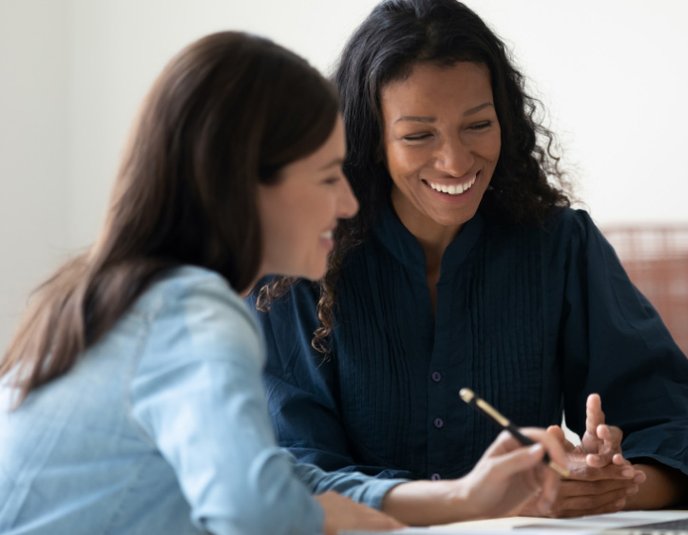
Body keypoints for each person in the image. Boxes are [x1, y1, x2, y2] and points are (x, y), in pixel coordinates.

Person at [0, 31, 567, 535]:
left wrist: (463, 497)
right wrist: (327, 519)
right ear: (245, 185)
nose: (347, 202)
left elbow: (272, 478)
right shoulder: (193, 310)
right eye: (327, 177)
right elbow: (256, 509)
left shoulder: (118, 296)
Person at [251, 0, 688, 519]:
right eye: (418, 135)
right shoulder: (300, 268)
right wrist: (470, 502)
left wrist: (602, 485)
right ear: (372, 141)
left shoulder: (560, 247)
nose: (456, 161)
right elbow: (293, 476)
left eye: (478, 125)